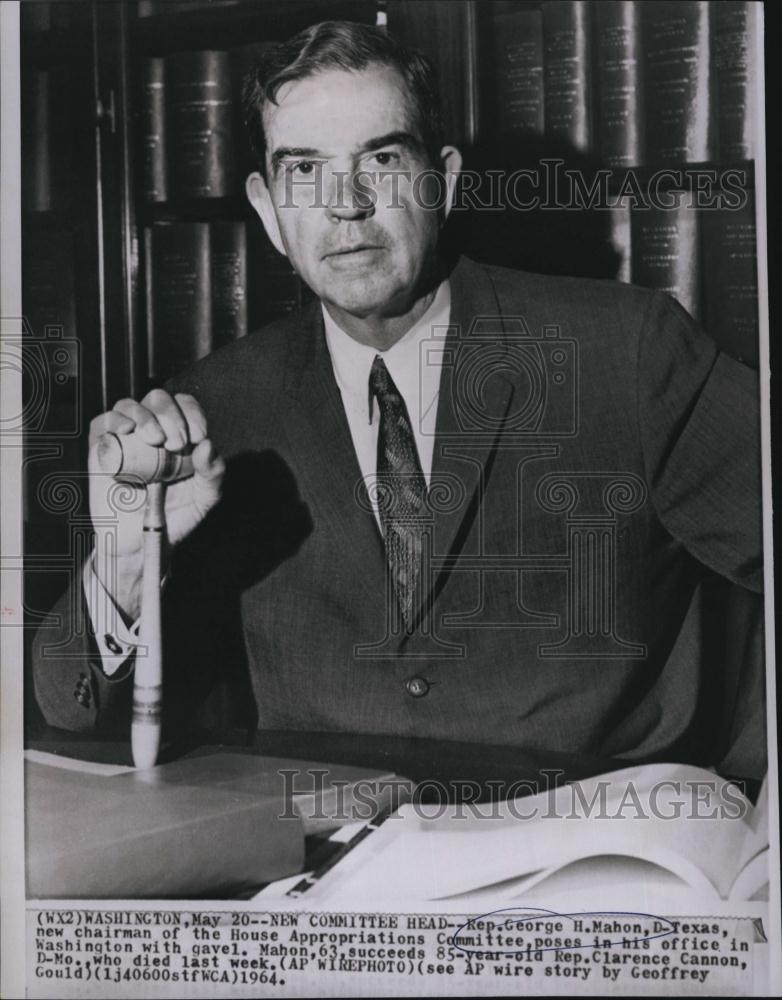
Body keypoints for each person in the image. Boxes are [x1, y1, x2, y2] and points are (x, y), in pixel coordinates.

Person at [32, 21, 765, 778]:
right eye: (304, 170)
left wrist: (752, 804)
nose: (344, 204)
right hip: (333, 871)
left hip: (596, 860)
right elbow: (73, 710)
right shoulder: (211, 410)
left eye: (380, 158)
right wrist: (123, 565)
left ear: (441, 181)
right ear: (267, 209)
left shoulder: (628, 351)